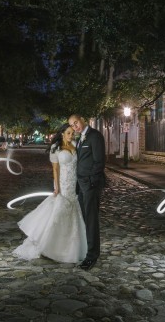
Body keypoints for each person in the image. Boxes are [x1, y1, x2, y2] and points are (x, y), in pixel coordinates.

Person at [13, 123, 87, 263]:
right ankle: (49, 246)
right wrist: (57, 187)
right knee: (58, 214)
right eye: (69, 133)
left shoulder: (75, 145)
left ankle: (71, 248)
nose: (71, 135)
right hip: (63, 185)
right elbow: (55, 169)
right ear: (62, 134)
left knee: (73, 214)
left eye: (72, 133)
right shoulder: (56, 148)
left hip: (74, 185)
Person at [68, 114, 106, 270]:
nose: (75, 126)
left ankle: (92, 257)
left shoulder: (95, 136)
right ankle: (87, 251)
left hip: (90, 185)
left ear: (82, 119)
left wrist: (91, 182)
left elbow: (99, 162)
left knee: (91, 221)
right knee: (85, 219)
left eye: (76, 122)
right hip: (81, 185)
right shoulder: (80, 138)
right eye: (72, 124)